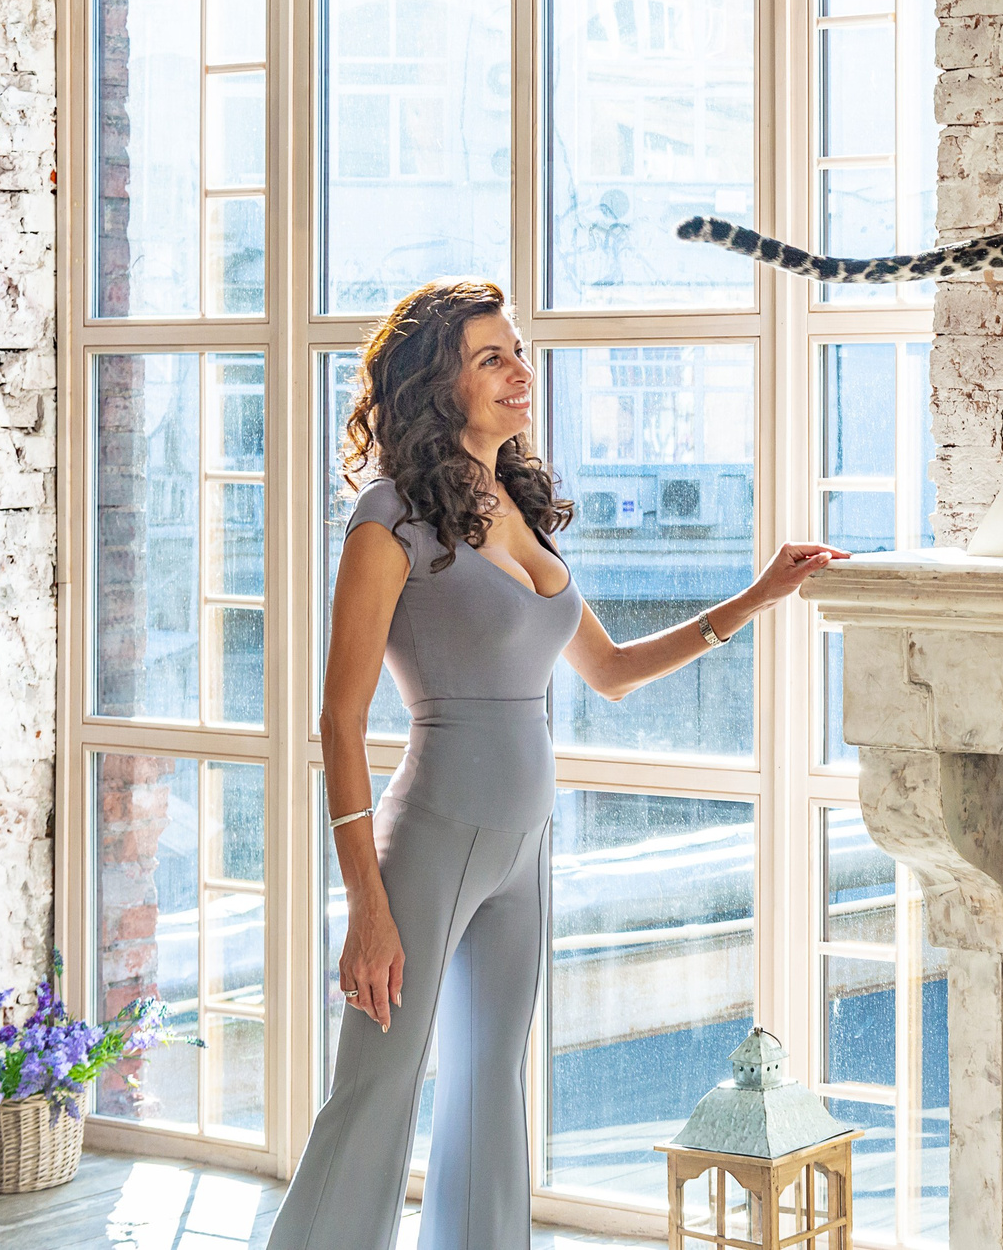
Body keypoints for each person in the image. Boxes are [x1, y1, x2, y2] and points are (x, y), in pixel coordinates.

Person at [268, 280, 848, 1250]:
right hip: (434, 837)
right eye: (491, 356)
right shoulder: (390, 518)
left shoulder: (513, 506)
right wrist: (366, 901)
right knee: (375, 1097)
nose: (519, 371)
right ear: (436, 382)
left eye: (518, 351)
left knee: (492, 1091)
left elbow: (610, 670)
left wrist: (758, 594)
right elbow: (337, 717)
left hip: (526, 844)